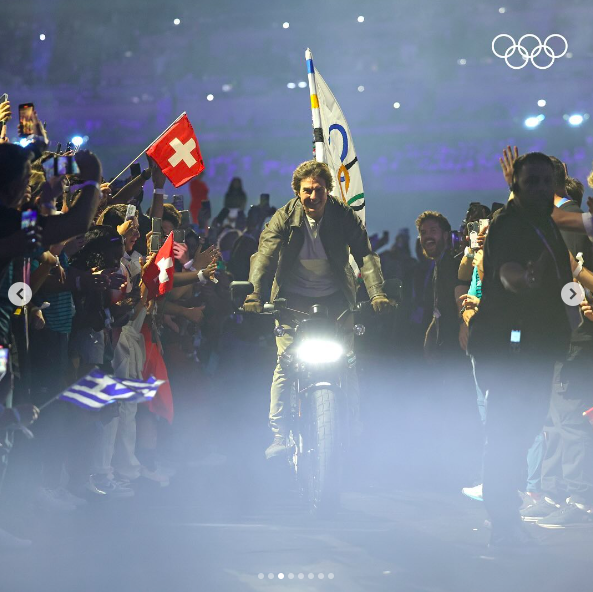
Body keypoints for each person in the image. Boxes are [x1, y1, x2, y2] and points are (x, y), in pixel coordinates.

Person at [243, 160, 392, 458]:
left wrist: (377, 294)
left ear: (328, 190)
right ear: (298, 193)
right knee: (285, 364)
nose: (313, 196)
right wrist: (255, 293)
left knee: (348, 363)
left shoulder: (344, 216)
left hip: (337, 300)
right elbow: (264, 255)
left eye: (319, 190)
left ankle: (353, 427)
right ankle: (280, 435)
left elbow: (365, 254)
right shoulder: (283, 217)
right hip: (292, 302)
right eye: (307, 191)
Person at [468, 152, 574, 548]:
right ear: (516, 185)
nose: (542, 189)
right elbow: (507, 272)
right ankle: (502, 522)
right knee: (507, 432)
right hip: (511, 346)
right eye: (532, 182)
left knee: (524, 429)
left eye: (547, 182)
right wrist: (523, 279)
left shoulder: (543, 221)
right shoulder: (510, 223)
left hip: (537, 345)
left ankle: (506, 514)